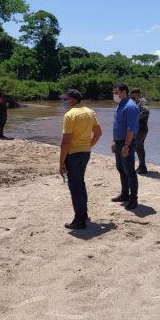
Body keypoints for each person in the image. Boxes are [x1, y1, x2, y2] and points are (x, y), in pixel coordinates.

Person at [59, 89, 102, 230]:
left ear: (72, 100)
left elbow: (65, 142)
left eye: (65, 99)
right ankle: (83, 214)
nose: (63, 101)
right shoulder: (90, 112)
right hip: (85, 153)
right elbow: (98, 133)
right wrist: (88, 145)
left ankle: (79, 221)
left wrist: (61, 163)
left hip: (73, 155)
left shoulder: (69, 115)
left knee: (75, 187)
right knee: (80, 183)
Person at [111, 82, 140, 210]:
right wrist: (113, 141)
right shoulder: (120, 105)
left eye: (116, 92)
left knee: (130, 172)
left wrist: (126, 146)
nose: (115, 94)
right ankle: (124, 195)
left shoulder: (130, 107)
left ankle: (133, 199)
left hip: (126, 143)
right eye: (114, 92)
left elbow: (130, 130)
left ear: (124, 92)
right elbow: (117, 125)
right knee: (121, 169)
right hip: (118, 142)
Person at [130, 88, 150, 174]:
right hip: (139, 128)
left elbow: (146, 111)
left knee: (139, 147)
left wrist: (136, 118)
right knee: (138, 147)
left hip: (142, 127)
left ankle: (143, 167)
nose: (131, 97)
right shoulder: (137, 101)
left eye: (132, 95)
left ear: (136, 94)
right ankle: (141, 166)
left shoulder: (142, 101)